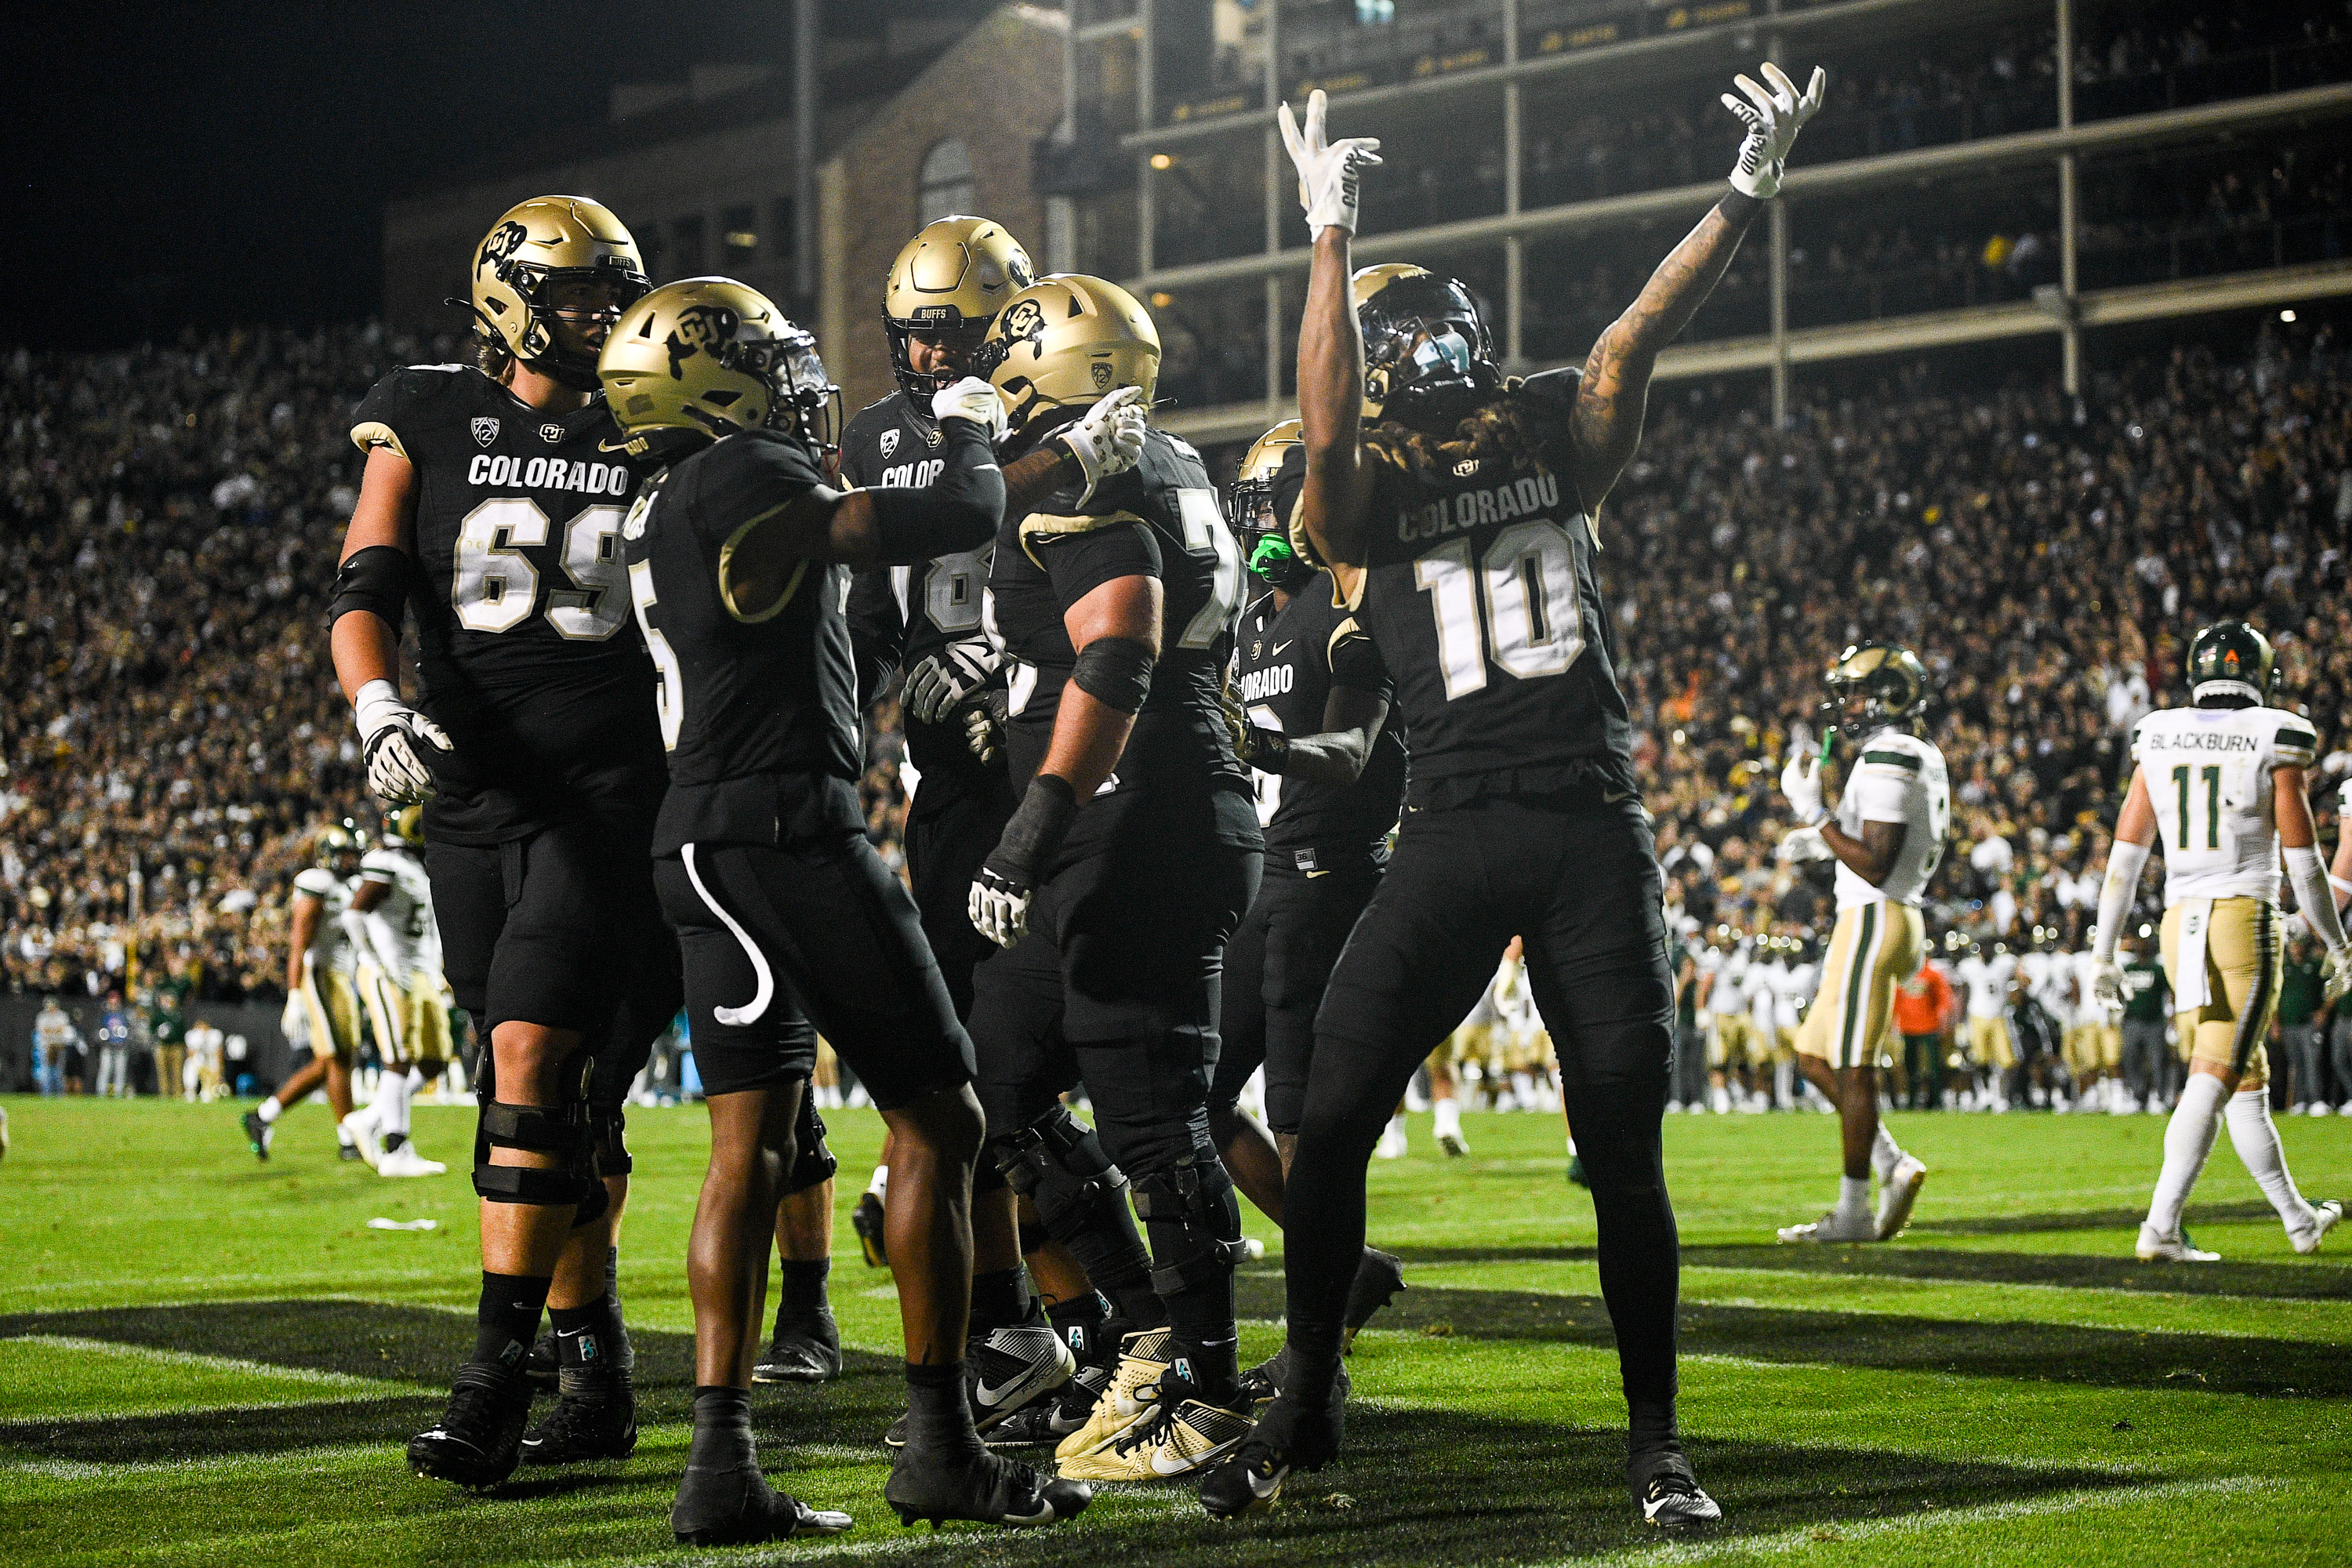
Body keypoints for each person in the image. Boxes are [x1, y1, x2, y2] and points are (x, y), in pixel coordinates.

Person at [1203, 64, 1826, 1527]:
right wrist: (1327, 238)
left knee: (1620, 1136)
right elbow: (1334, 422)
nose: (1421, 372)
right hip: (1461, 832)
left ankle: (1655, 1439)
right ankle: (1299, 1409)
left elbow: (1635, 332)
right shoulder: (1357, 497)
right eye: (1392, 356)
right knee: (1334, 1113)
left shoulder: (1552, 427)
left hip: (1586, 830)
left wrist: (1745, 190)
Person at [606, 276, 1101, 1537]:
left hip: (697, 839)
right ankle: (942, 1443)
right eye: (767, 360)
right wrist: (983, 426)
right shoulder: (746, 477)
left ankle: (719, 1472)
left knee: (747, 1148)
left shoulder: (664, 497)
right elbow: (956, 510)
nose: (795, 377)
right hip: (787, 828)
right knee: (944, 1116)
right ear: (715, 384)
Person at [328, 195, 681, 1487]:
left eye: (614, 293)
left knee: (533, 1055)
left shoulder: (654, 411)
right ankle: (594, 1367)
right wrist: (374, 703)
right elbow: (366, 581)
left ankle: (488, 1384)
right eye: (583, 293)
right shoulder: (420, 409)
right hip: (473, 803)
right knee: (544, 1102)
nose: (604, 316)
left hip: (611, 795)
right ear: (511, 296)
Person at [964, 273, 1266, 1486]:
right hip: (1155, 799)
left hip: (1136, 817)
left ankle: (1208, 1391)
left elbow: (1122, 648)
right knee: (1000, 1080)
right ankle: (1147, 1338)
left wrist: (1030, 827)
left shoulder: (1088, 477)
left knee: (1156, 1123)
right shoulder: (1174, 461)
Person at [795, 216, 1039, 1385]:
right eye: (911, 337)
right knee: (978, 1068)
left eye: (948, 335)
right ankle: (1025, 1320)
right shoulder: (877, 434)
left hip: (1047, 760)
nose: (927, 358)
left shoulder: (1056, 407)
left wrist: (1013, 665)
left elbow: (1102, 592)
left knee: (1051, 1058)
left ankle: (1129, 1320)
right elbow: (866, 623)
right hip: (948, 784)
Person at [1212, 417, 1409, 1363]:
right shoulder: (1251, 620)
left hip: (1325, 877)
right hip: (1260, 878)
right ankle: (1344, 1262)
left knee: (1301, 1119)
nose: (1254, 526)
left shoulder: (1350, 607)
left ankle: (1311, 1348)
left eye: (1264, 502)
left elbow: (1354, 748)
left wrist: (1270, 748)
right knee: (1193, 1096)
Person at [2089, 622, 2350, 1261]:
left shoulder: (2160, 732)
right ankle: (2161, 1226)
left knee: (2245, 1079)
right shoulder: (2276, 732)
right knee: (2213, 1074)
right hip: (2240, 917)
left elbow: (2126, 856)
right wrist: (2340, 946)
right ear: (2262, 674)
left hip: (2182, 922)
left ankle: (2297, 1220)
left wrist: (2104, 950)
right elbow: (2305, 861)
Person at [1773, 645, 1946, 1243]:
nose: (1849, 703)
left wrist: (1817, 817)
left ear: (1891, 695)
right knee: (1814, 1058)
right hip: (1879, 913)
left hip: (1877, 915)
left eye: (1859, 692)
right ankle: (1892, 1163)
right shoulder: (1909, 751)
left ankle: (1853, 1212)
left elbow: (1876, 861)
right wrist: (1823, 840)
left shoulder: (1891, 753)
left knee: (1853, 1068)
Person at [242, 825, 365, 1160]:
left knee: (337, 1059)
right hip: (318, 974)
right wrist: (294, 993)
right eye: (344, 854)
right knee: (337, 1057)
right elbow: (299, 944)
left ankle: (262, 1116)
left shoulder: (351, 884)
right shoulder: (316, 883)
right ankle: (349, 1138)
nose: (351, 860)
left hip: (342, 975)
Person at [343, 805, 452, 1177]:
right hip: (392, 973)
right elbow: (354, 913)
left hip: (420, 973)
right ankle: (396, 1149)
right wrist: (372, 958)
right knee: (399, 1057)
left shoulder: (416, 868)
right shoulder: (385, 863)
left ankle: (370, 1118)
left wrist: (438, 969)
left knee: (435, 1059)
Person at [1892, 956, 1954, 1111]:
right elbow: (1896, 999)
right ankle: (1912, 1101)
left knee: (1933, 1067)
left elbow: (1943, 998)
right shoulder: (1903, 974)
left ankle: (1936, 1101)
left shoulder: (1932, 973)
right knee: (1910, 1067)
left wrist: (1943, 1018)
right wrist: (1894, 1020)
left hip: (1929, 1026)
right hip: (1907, 1027)